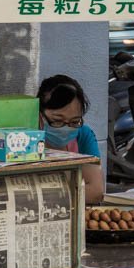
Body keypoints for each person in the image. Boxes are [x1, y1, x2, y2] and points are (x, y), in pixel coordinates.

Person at [37, 75, 104, 204]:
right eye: (57, 121)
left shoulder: (83, 135)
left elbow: (96, 191)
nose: (66, 128)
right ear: (40, 115)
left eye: (74, 121)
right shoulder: (26, 139)